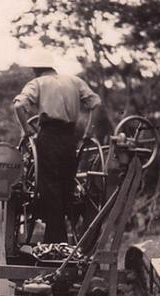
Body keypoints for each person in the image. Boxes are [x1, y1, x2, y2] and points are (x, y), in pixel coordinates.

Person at [12, 50, 101, 243]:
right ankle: (64, 240)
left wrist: (26, 128)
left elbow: (19, 106)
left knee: (50, 188)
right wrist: (89, 131)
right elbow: (95, 103)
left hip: (49, 137)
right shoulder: (74, 81)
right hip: (70, 138)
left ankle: (54, 241)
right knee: (66, 185)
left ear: (36, 69)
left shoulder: (37, 83)